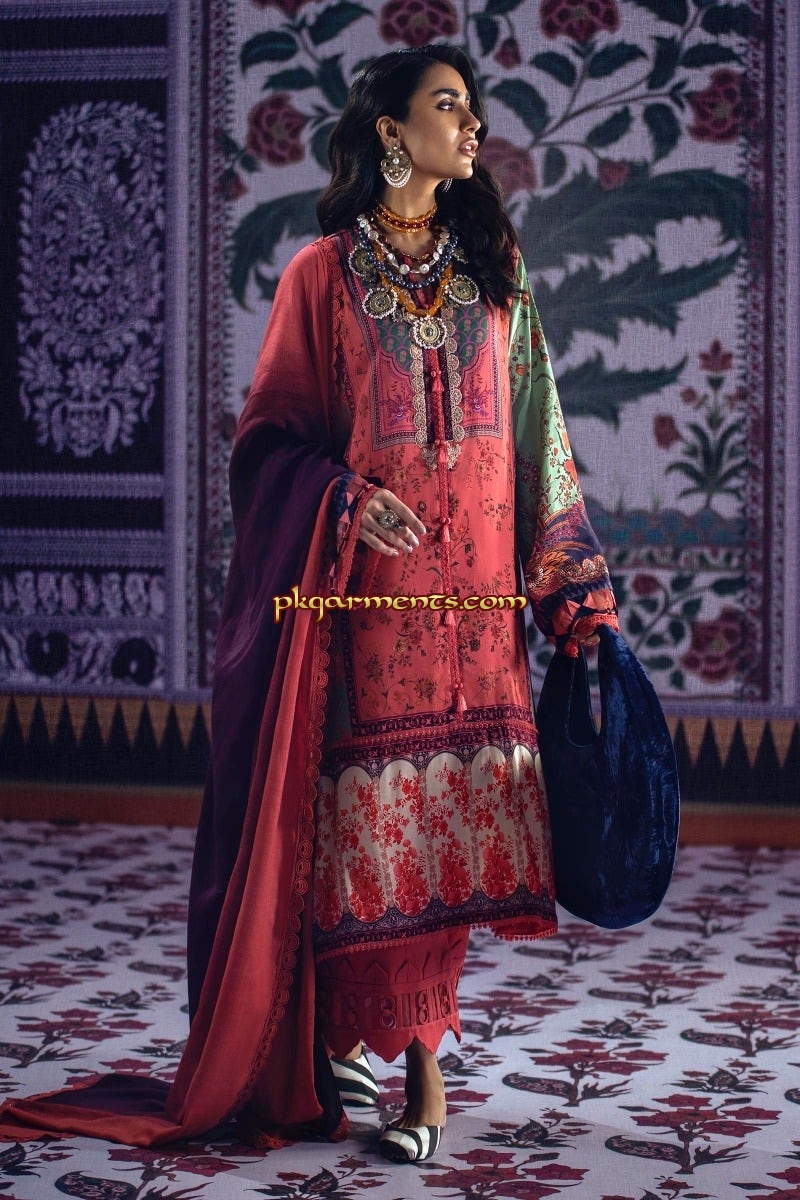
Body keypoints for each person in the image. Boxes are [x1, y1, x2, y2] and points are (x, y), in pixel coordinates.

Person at [0, 44, 617, 1165]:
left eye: (472, 110)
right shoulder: (321, 277)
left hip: (477, 620)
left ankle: (402, 1058)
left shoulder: (496, 274)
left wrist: (574, 592)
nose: (472, 127)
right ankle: (397, 1059)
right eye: (447, 106)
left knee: (446, 834)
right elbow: (266, 446)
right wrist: (343, 499)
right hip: (365, 617)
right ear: (390, 131)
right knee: (365, 838)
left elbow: (544, 442)